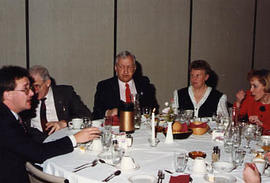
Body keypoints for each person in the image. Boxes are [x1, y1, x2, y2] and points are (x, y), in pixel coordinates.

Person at [0, 65, 100, 183]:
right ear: (8, 94)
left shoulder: (8, 115)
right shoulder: (5, 123)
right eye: (26, 89)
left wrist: (64, 124)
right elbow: (38, 153)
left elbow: (86, 114)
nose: (32, 93)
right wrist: (75, 138)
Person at [93, 50, 159, 120]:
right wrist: (108, 113)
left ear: (134, 68)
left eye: (129, 67)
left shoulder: (144, 84)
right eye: (121, 67)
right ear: (116, 68)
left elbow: (153, 109)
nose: (125, 71)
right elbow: (96, 113)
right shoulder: (104, 86)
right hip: (115, 128)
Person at [26, 65, 91, 135]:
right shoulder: (26, 97)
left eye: (37, 86)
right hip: (35, 141)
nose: (33, 91)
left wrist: (64, 123)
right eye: (30, 87)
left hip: (62, 138)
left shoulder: (65, 93)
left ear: (47, 83)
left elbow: (86, 115)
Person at [235, 69, 270, 133]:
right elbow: (235, 120)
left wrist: (261, 125)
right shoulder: (250, 97)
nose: (251, 90)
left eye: (255, 86)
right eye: (251, 86)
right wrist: (238, 102)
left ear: (267, 87)